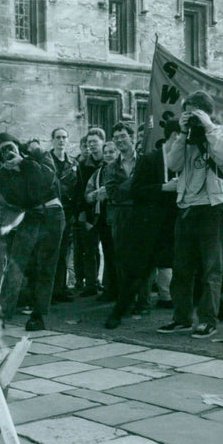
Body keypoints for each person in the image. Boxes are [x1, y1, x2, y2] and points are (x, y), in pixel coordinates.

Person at [158, 91, 223, 338]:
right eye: (187, 113)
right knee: (181, 268)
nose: (190, 118)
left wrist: (208, 126)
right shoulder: (186, 137)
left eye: (194, 113)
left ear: (207, 111)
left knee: (211, 268)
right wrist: (182, 134)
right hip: (187, 207)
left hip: (213, 208)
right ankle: (181, 317)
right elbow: (172, 164)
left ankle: (208, 320)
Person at [105, 121, 179, 329]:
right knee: (137, 268)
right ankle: (119, 311)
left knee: (188, 266)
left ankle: (196, 312)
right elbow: (134, 191)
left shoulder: (184, 159)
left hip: (176, 221)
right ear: (174, 137)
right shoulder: (148, 160)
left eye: (124, 136)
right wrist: (163, 188)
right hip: (148, 223)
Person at [0, 132, 65, 331]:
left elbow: (47, 179)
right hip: (30, 217)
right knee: (16, 264)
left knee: (46, 266)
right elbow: (18, 200)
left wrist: (23, 164)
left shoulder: (39, 155)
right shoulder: (4, 174)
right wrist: (16, 172)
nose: (8, 152)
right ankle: (2, 314)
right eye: (3, 151)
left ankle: (39, 316)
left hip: (53, 214)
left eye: (10, 147)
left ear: (18, 145)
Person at [104, 122, 149, 315]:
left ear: (132, 137)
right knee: (122, 259)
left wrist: (132, 188)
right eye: (116, 138)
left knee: (144, 258)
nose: (120, 141)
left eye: (123, 136)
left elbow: (149, 190)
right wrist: (135, 184)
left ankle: (143, 301)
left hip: (142, 215)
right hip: (120, 215)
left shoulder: (145, 162)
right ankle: (127, 300)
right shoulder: (111, 167)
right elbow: (113, 193)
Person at [42, 127, 79, 303]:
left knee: (64, 251)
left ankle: (61, 288)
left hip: (68, 212)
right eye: (58, 137)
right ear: (52, 140)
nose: (61, 140)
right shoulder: (46, 162)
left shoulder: (73, 163)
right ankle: (49, 291)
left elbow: (77, 187)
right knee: (50, 252)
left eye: (64, 137)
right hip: (50, 212)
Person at [75, 128, 106, 297]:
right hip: (89, 212)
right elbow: (79, 190)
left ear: (102, 142)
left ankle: (106, 283)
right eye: (89, 143)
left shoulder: (109, 161)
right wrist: (82, 212)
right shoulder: (82, 165)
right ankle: (91, 284)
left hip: (107, 212)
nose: (92, 145)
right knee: (89, 250)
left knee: (108, 249)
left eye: (95, 141)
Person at [87, 140, 118, 302]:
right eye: (106, 152)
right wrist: (93, 195)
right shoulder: (99, 172)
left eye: (112, 151)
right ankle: (109, 288)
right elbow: (88, 192)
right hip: (104, 218)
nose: (108, 155)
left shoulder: (122, 170)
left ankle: (121, 290)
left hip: (120, 218)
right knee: (108, 254)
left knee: (120, 255)